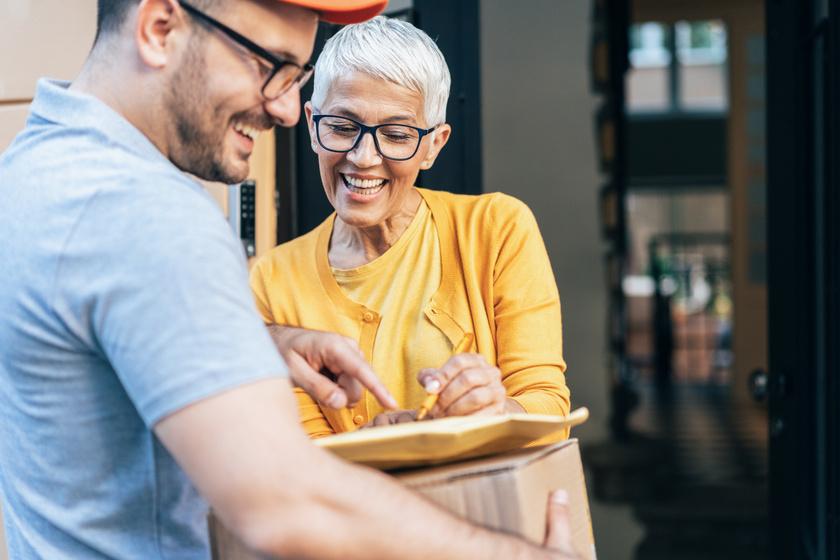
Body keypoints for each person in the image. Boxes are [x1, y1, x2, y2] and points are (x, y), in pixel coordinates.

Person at [0, 1, 581, 558]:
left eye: (296, 76)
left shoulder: (28, 175)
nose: (282, 109)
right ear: (158, 28)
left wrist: (262, 344)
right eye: (267, 64)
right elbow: (284, 502)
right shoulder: (149, 215)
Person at [250, 16, 570, 436]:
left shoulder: (497, 229)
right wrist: (387, 445)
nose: (364, 157)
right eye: (343, 128)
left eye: (397, 134)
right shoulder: (273, 281)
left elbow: (547, 406)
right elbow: (308, 455)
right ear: (312, 125)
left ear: (434, 145)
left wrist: (498, 411)